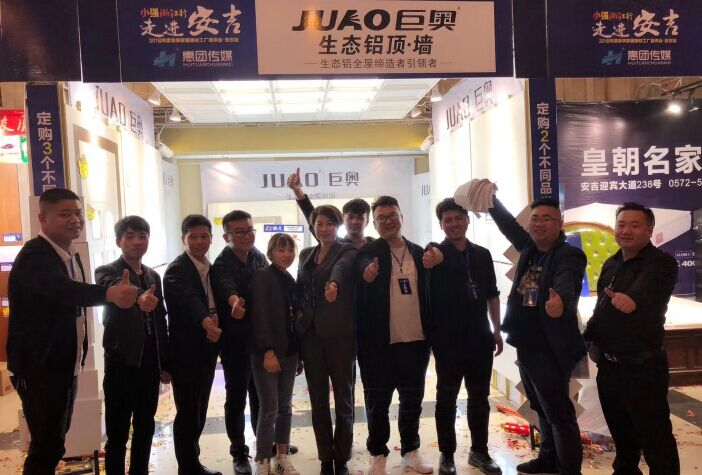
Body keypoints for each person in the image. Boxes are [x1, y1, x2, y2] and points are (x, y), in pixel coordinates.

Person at [7, 188, 137, 475]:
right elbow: (64, 291)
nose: (75, 220)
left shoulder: (70, 254)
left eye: (78, 213)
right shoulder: (35, 255)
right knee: (46, 445)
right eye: (65, 214)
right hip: (39, 367)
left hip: (65, 364)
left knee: (55, 440)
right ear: (43, 219)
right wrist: (110, 294)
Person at [488, 195, 587, 475]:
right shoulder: (531, 248)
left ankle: (569, 470)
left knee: (559, 412)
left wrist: (560, 302)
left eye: (547, 218)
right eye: (535, 218)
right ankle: (548, 459)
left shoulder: (568, 254)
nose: (539, 224)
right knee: (541, 407)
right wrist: (492, 202)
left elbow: (566, 280)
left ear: (560, 223)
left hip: (550, 345)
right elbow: (510, 227)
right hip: (527, 342)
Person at [584, 202, 680, 475]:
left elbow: (643, 291)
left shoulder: (661, 263)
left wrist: (631, 300)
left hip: (643, 367)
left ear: (649, 230)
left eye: (635, 225)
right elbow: (602, 307)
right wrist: (590, 339)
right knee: (623, 437)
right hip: (610, 367)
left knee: (655, 438)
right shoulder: (612, 263)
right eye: (621, 225)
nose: (626, 231)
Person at [423, 198, 502, 475]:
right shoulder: (435, 253)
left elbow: (492, 295)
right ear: (441, 224)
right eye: (448, 220)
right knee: (446, 398)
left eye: (458, 218)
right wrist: (433, 260)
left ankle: (479, 451)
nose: (454, 224)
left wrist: (497, 330)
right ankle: (447, 454)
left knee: (480, 397)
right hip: (447, 340)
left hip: (480, 337)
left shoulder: (482, 254)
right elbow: (429, 262)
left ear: (467, 220)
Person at [356, 195, 433, 475]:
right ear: (374, 224)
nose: (387, 221)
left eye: (392, 215)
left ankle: (410, 451)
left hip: (416, 342)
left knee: (412, 400)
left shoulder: (419, 252)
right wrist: (365, 275)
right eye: (381, 218)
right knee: (378, 403)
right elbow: (359, 274)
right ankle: (378, 454)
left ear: (402, 216)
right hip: (378, 345)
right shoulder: (367, 253)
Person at [95, 215, 171, 475]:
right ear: (119, 241)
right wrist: (138, 297)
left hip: (149, 364)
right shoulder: (107, 271)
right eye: (130, 236)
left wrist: (165, 363)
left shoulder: (153, 275)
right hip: (121, 363)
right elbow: (114, 287)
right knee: (117, 432)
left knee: (145, 426)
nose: (138, 242)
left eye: (142, 236)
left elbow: (160, 321)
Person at [296, 205, 358, 475]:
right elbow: (300, 290)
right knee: (318, 401)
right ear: (313, 227)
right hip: (311, 337)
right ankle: (325, 458)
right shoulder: (306, 254)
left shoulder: (347, 250)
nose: (324, 228)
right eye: (319, 224)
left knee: (344, 399)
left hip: (341, 336)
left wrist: (334, 285)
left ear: (338, 225)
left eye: (330, 223)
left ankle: (341, 457)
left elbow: (341, 270)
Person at [164, 215, 222, 475]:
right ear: (183, 239)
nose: (200, 242)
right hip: (185, 352)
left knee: (199, 410)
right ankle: (187, 468)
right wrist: (206, 321)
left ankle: (193, 463)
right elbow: (189, 300)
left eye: (204, 236)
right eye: (193, 237)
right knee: (188, 412)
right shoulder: (177, 269)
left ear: (211, 238)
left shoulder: (210, 267)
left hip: (207, 349)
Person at [210, 210, 263, 474]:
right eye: (239, 232)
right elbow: (226, 287)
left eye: (250, 230)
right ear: (227, 236)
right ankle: (239, 452)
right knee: (236, 397)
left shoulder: (257, 256)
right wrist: (234, 303)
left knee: (260, 395)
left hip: (258, 338)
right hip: (234, 343)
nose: (246, 236)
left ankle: (264, 443)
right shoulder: (221, 263)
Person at [249, 233, 303, 475]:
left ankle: (282, 456)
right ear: (270, 253)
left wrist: (299, 354)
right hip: (267, 354)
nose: (287, 255)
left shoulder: (289, 278)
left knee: (285, 407)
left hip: (289, 353)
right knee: (269, 409)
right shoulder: (262, 277)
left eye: (290, 250)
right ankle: (263, 460)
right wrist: (267, 350)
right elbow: (259, 316)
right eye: (281, 250)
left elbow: (294, 318)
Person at [287, 169, 374, 248]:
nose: (354, 222)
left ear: (367, 221)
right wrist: (297, 189)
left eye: (360, 218)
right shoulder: (332, 243)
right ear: (343, 219)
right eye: (350, 217)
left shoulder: (375, 245)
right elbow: (311, 214)